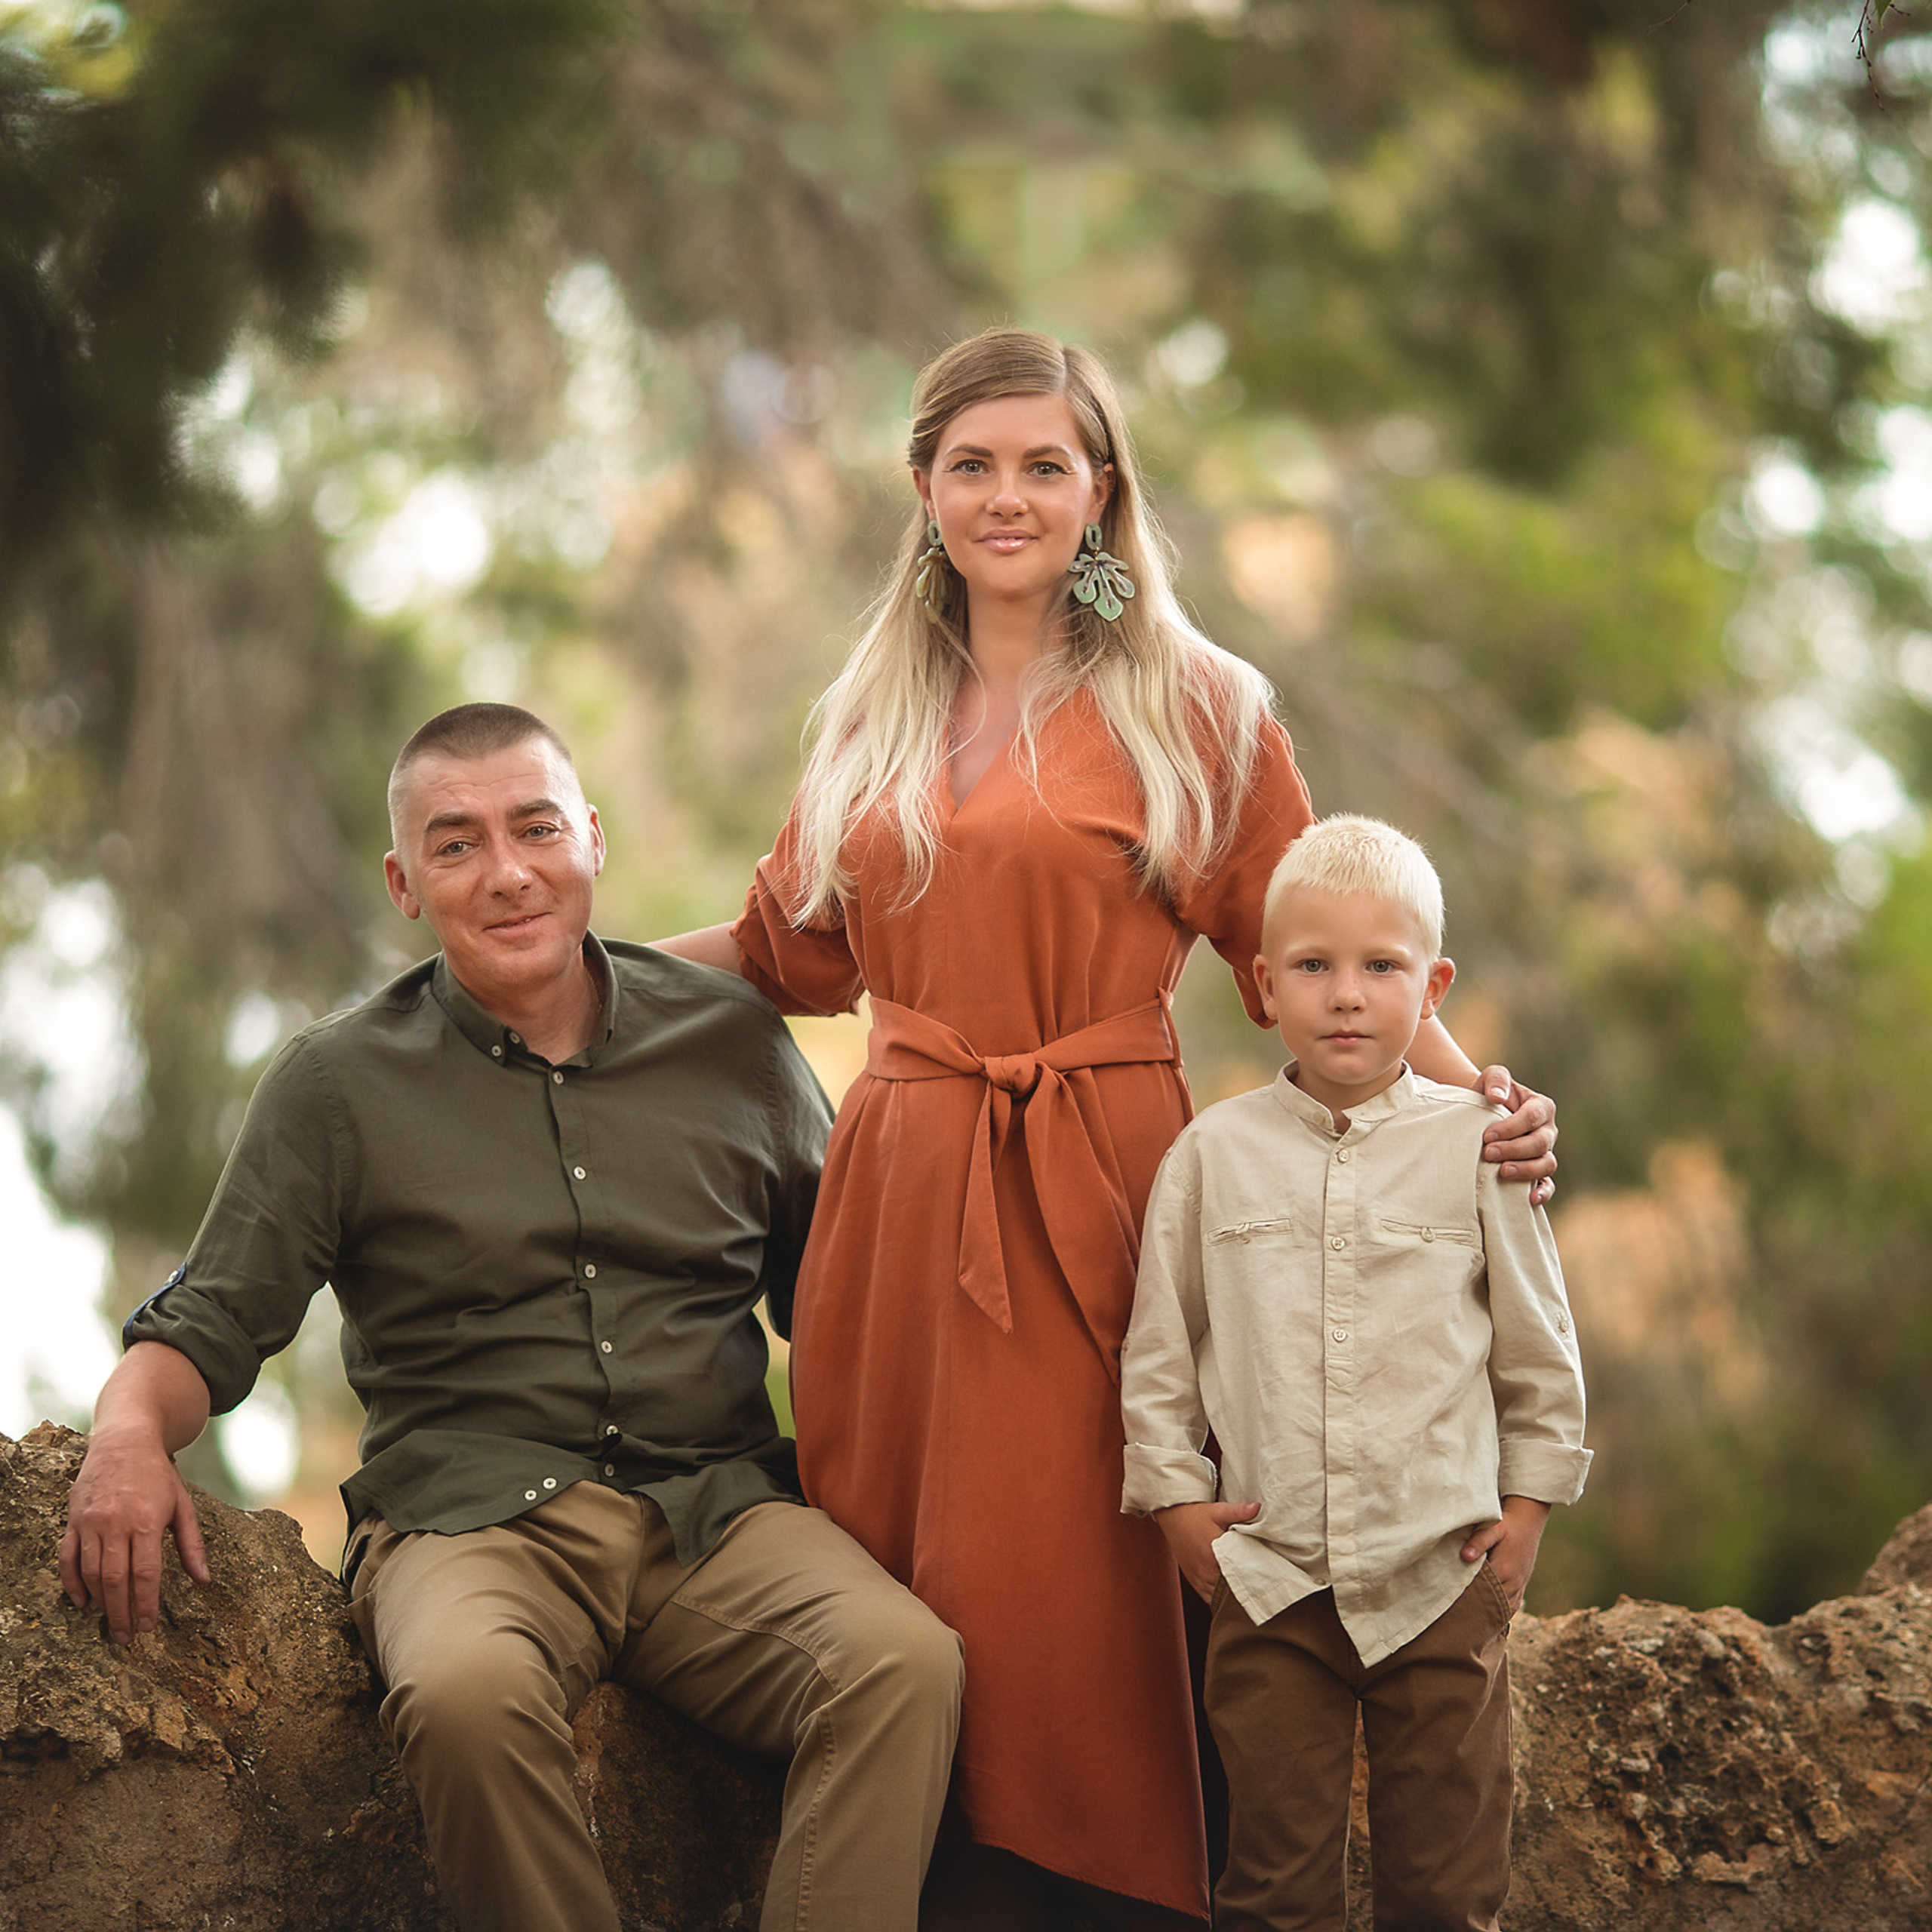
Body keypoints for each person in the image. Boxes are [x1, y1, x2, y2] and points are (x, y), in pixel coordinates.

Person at [656, 328, 1559, 1929]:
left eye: (1042, 464)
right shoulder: (869, 704)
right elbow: (789, 950)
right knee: (905, 1584)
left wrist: (1470, 1097)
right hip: (896, 1199)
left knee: (1079, 1570)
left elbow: (1318, 940)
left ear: (1099, 489)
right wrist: (553, 973)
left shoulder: (1195, 702)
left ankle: (1099, 1893)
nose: (1006, 497)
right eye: (971, 465)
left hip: (1104, 1193)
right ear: (922, 489)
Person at [58, 702, 964, 1932]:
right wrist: (122, 1441)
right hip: (470, 1522)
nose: (507, 873)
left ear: (592, 838)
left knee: (903, 1666)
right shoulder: (336, 1085)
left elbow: (846, 1309)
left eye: (536, 828)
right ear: (404, 882)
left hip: (718, 1513)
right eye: (456, 843)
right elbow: (208, 1324)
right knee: (465, 1695)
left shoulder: (736, 1042)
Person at [1120, 815, 1592, 1931]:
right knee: (1274, 1887)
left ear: (1432, 987)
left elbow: (1539, 1348)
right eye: (1314, 966)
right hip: (1273, 1586)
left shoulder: (1480, 1146)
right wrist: (1180, 1510)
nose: (1346, 995)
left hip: (1442, 1572)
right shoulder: (1210, 1157)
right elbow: (1158, 1354)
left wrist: (1523, 1519)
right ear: (1261, 984)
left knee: (1448, 1883)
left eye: (1381, 967)